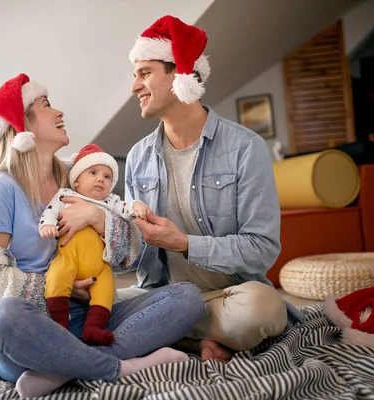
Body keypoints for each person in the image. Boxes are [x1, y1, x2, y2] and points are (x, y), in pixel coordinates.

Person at [0, 73, 205, 399]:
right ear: (23, 128)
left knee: (187, 297)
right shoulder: (0, 189)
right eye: (46, 105)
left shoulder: (76, 176)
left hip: (91, 315)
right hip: (35, 327)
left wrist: (98, 218)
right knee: (2, 317)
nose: (60, 112)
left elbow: (130, 254)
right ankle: (118, 366)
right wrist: (60, 285)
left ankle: (64, 368)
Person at [122, 15, 305, 362]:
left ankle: (165, 337)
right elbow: (133, 257)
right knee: (84, 305)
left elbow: (262, 249)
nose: (134, 86)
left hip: (229, 297)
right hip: (163, 297)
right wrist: (101, 234)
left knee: (263, 310)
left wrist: (185, 244)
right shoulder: (137, 157)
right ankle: (193, 340)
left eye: (144, 73)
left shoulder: (245, 147)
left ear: (179, 74)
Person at [39, 143, 149, 346]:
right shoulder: (66, 195)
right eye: (93, 172)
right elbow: (50, 211)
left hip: (100, 266)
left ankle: (94, 329)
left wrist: (136, 205)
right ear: (77, 181)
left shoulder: (110, 201)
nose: (101, 179)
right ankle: (60, 325)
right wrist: (47, 225)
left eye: (107, 177)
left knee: (106, 291)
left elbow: (125, 207)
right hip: (68, 257)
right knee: (56, 278)